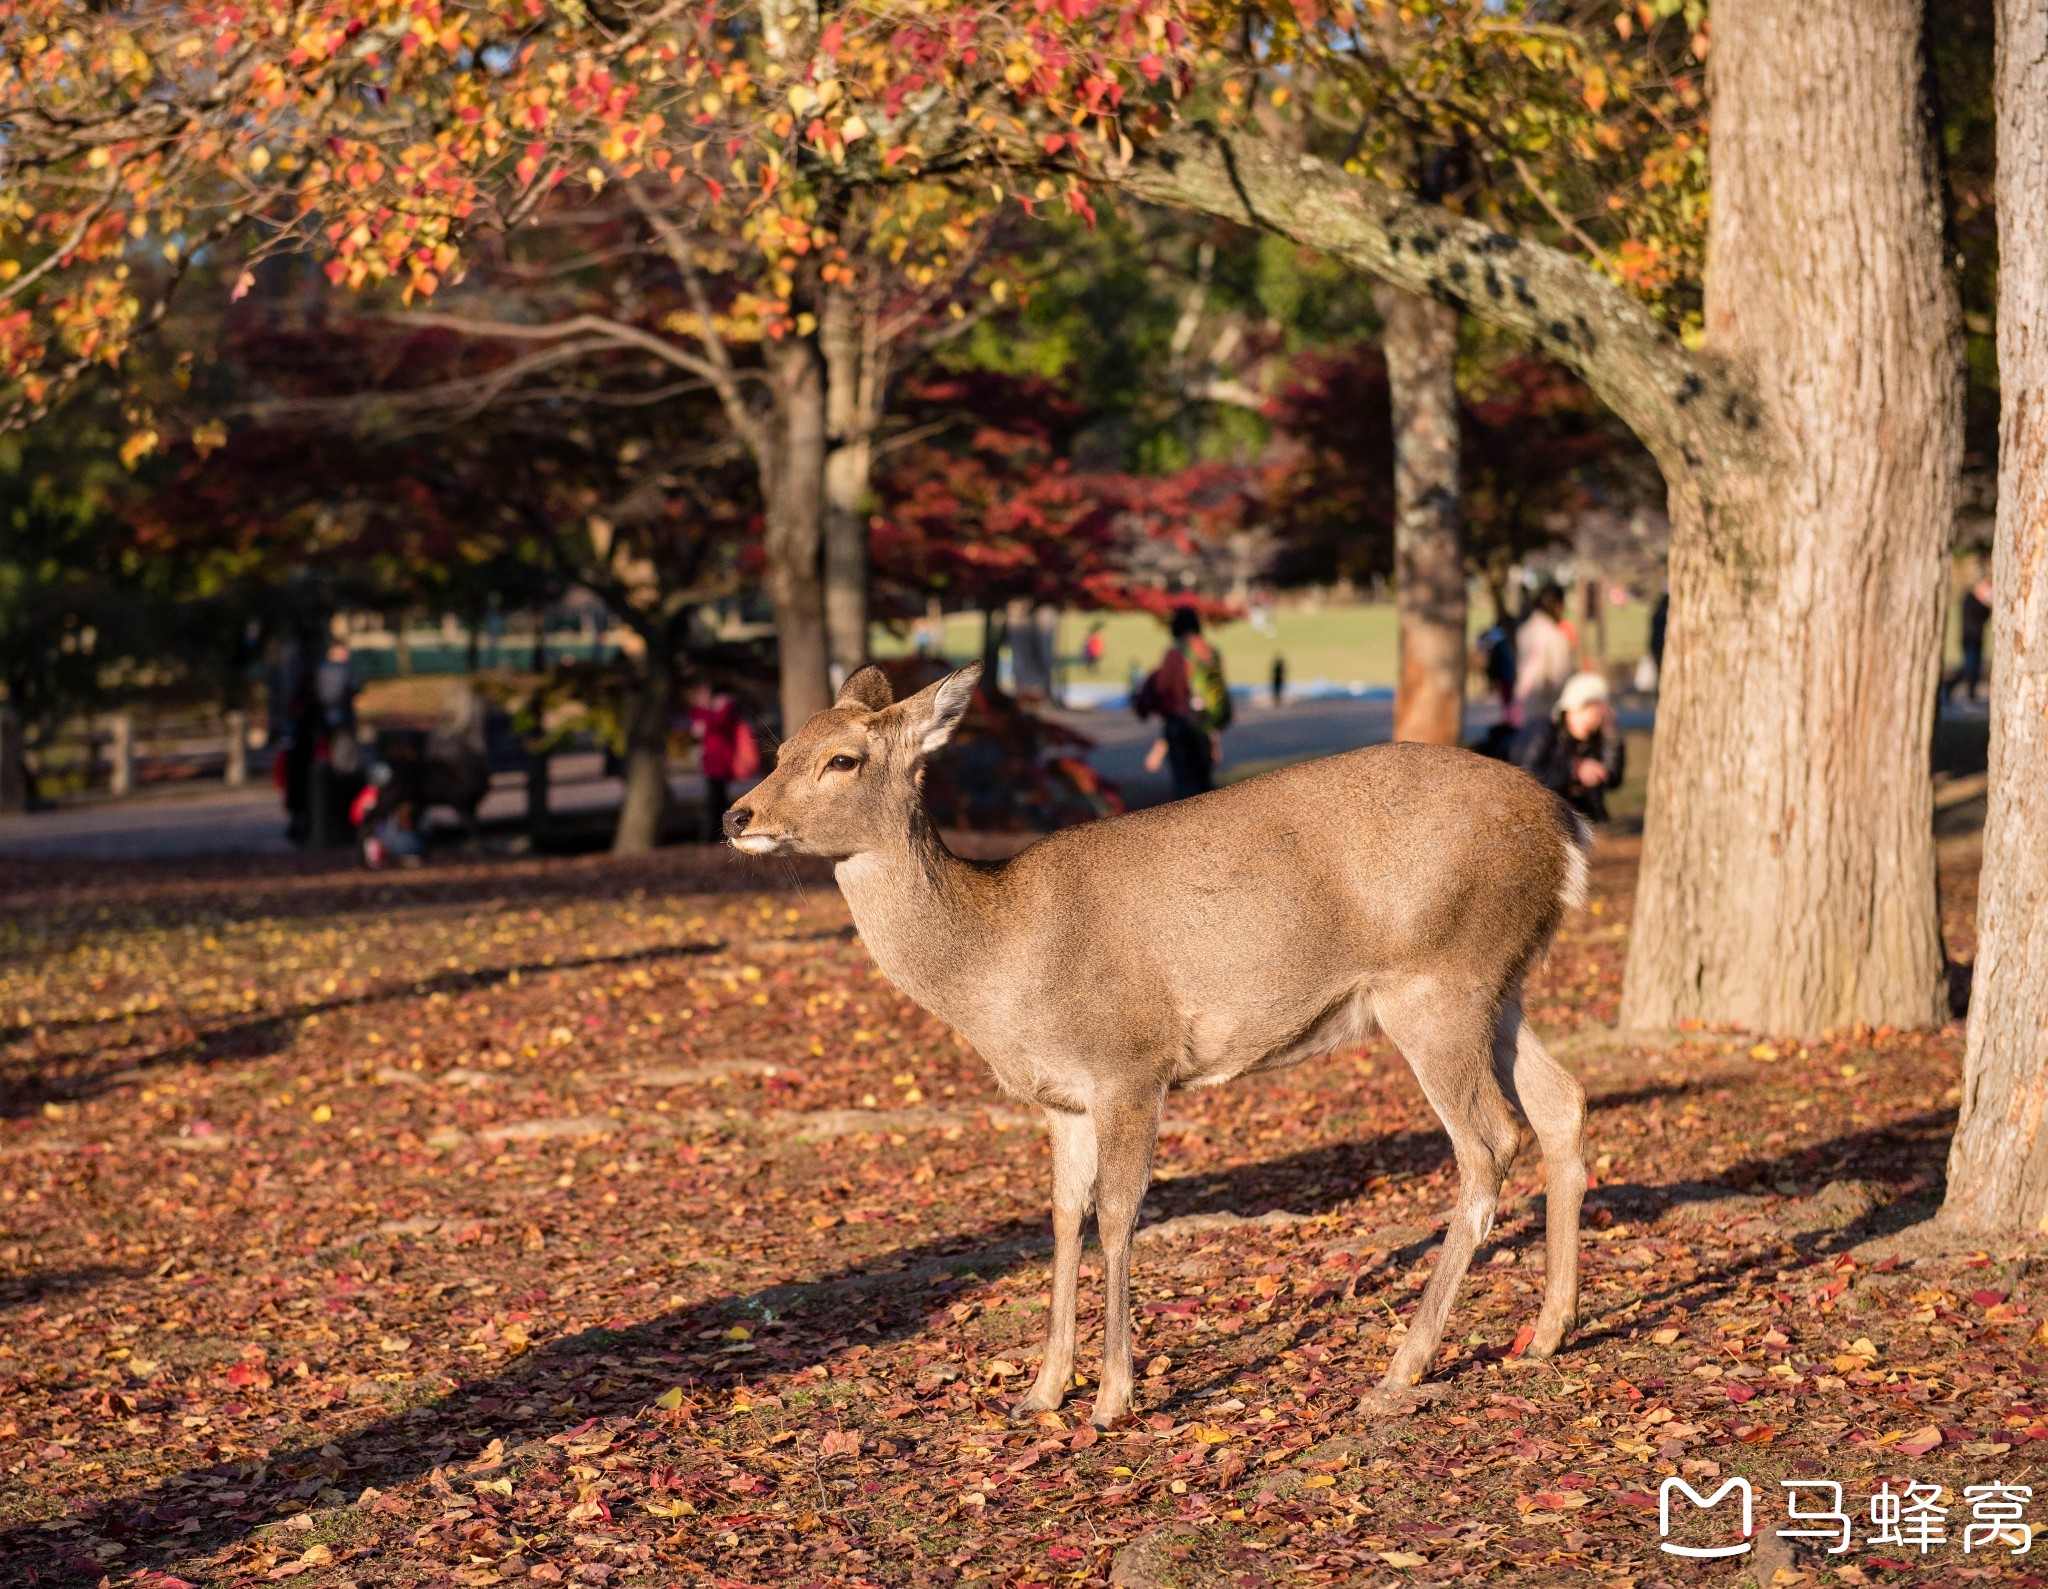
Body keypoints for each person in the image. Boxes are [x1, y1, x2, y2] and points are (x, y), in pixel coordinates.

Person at [1136, 606, 1229, 800]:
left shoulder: (1175, 653)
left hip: (1182, 726)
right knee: (1205, 785)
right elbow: (1214, 693)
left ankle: (1190, 829)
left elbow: (1167, 693)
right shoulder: (1211, 652)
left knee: (1185, 787)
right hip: (1205, 724)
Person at [1518, 671, 1625, 822]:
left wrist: (1610, 734)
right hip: (1541, 816)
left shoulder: (1595, 738)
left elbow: (1613, 779)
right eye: (1583, 709)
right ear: (1567, 709)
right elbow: (1527, 776)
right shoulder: (1544, 731)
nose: (1589, 717)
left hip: (1581, 820)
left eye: (1595, 710)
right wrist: (1575, 771)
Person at [1513, 583, 1575, 733]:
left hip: (1524, 706)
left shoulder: (1524, 630)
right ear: (1558, 605)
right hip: (1546, 712)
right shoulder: (1555, 636)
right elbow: (1561, 679)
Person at [686, 678, 742, 841]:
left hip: (721, 759)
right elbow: (697, 725)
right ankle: (717, 834)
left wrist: (703, 708)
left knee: (716, 799)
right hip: (711, 760)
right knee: (716, 798)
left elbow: (715, 724)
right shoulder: (710, 709)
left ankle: (713, 835)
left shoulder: (723, 706)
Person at [1945, 574, 1993, 702]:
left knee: (1975, 667)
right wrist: (1986, 603)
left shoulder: (1974, 600)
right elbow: (1980, 614)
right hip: (1970, 638)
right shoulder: (1970, 599)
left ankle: (1972, 693)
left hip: (1977, 638)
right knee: (1969, 667)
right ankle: (1952, 686)